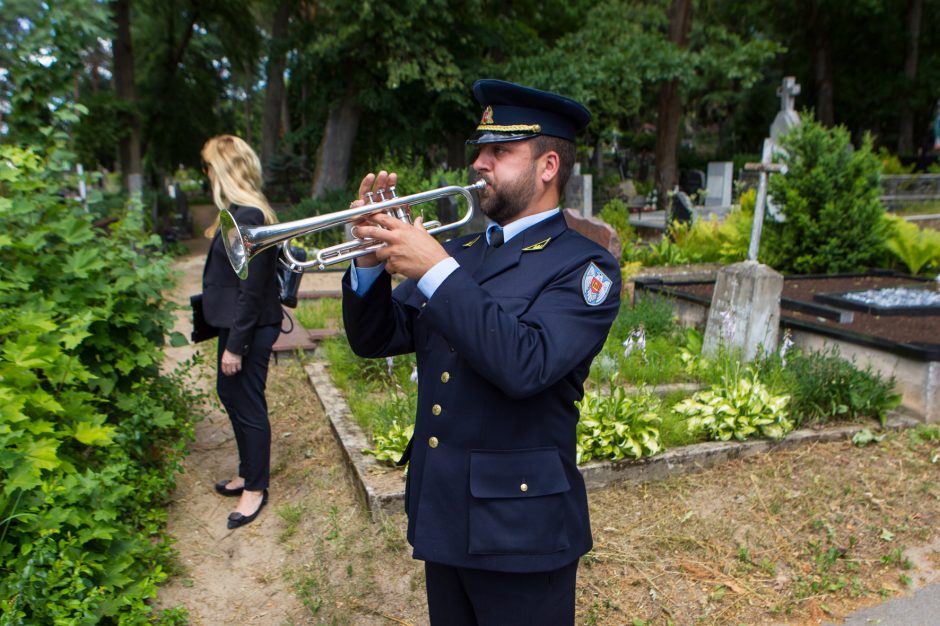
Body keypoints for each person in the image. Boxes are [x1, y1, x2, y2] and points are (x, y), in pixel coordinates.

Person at [341, 80, 621, 624]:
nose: (480, 163)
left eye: (500, 151)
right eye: (480, 149)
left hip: (522, 530)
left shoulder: (585, 267)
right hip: (445, 513)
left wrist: (436, 270)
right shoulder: (462, 251)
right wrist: (370, 259)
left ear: (547, 167)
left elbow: (526, 363)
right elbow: (377, 337)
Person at [199, 135, 282, 529]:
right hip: (237, 326)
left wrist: (236, 346)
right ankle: (247, 473)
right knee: (229, 393)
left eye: (209, 166)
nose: (206, 173)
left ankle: (256, 488)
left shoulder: (249, 216)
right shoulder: (237, 212)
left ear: (223, 170)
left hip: (247, 329)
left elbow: (252, 290)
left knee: (247, 405)